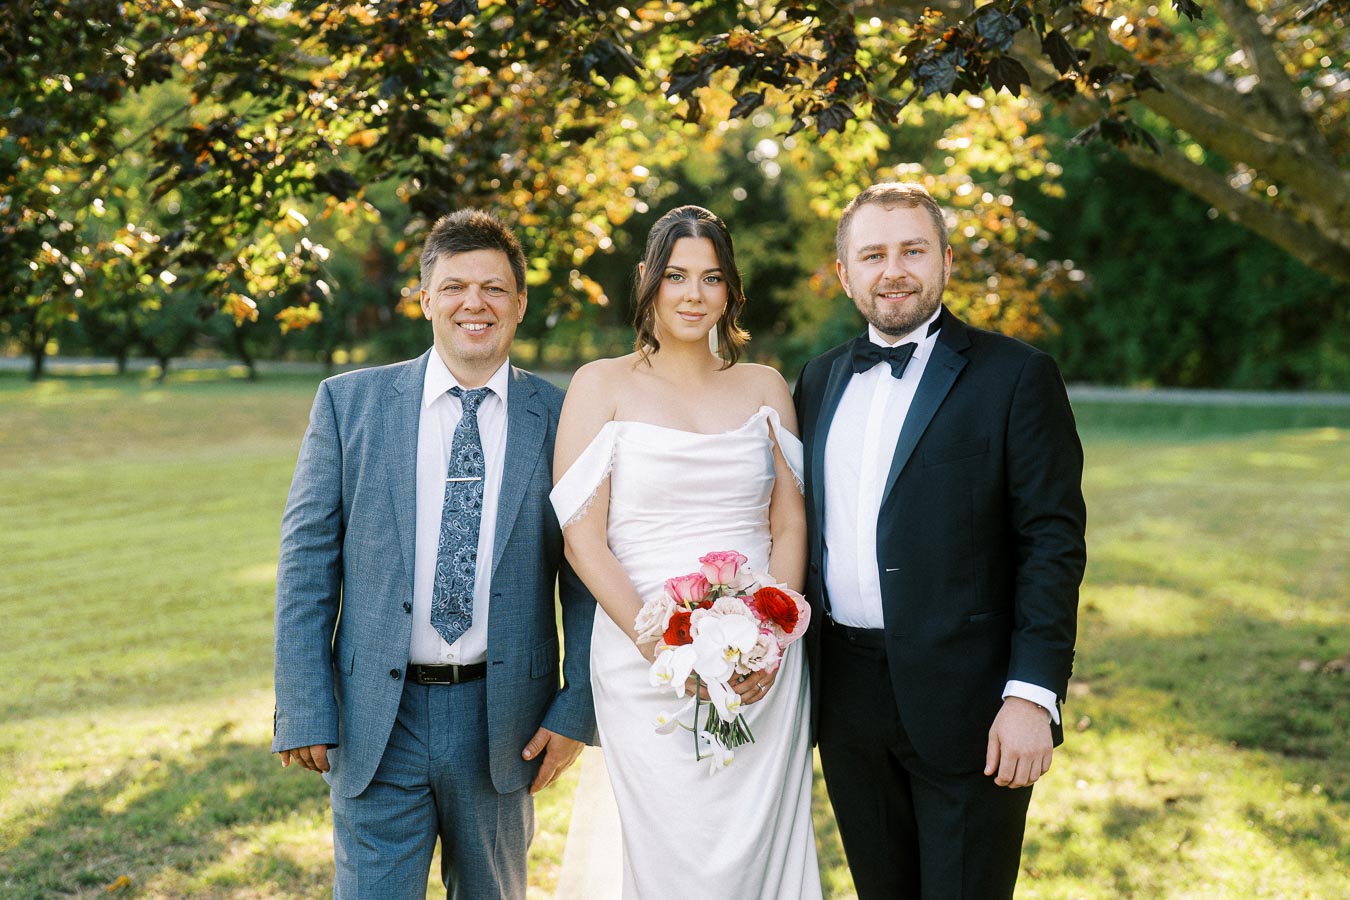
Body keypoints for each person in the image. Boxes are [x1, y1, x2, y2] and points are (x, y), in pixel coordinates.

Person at [272, 209, 597, 899]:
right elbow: (306, 564)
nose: (473, 303)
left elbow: (588, 574)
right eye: (453, 287)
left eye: (493, 288)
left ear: (519, 304)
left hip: (504, 719)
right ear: (425, 299)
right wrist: (304, 707)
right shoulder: (347, 404)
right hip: (373, 718)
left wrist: (577, 709)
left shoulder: (564, 417)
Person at [794, 182, 1087, 898]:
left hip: (974, 701)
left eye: (912, 250)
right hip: (846, 698)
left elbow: (1052, 542)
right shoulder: (817, 380)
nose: (893, 270)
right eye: (873, 254)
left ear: (946, 261)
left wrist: (1032, 695)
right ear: (845, 274)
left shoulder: (1017, 376)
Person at [549, 205, 822, 899]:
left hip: (760, 670)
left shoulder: (765, 387)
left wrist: (772, 642)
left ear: (731, 289)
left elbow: (789, 524)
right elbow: (583, 538)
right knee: (667, 853)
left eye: (711, 278)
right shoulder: (600, 385)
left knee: (761, 848)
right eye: (675, 276)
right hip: (644, 663)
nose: (693, 295)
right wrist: (666, 650)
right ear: (647, 280)